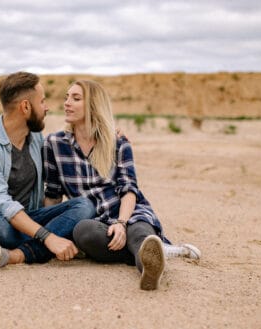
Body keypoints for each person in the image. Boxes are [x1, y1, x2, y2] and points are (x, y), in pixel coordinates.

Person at [43, 80, 201, 290]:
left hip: (129, 214)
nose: (66, 103)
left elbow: (128, 190)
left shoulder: (118, 143)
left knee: (138, 234)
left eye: (76, 98)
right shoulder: (54, 144)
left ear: (93, 105)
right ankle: (160, 252)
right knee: (83, 232)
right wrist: (49, 235)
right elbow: (53, 196)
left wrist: (121, 223)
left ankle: (149, 269)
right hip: (95, 222)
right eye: (66, 97)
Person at [0, 72, 96, 271]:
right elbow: (0, 202)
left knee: (83, 206)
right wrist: (48, 236)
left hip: (29, 220)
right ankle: (48, 243)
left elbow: (70, 144)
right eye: (42, 102)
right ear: (25, 107)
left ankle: (19, 254)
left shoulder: (37, 140)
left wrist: (106, 134)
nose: (47, 107)